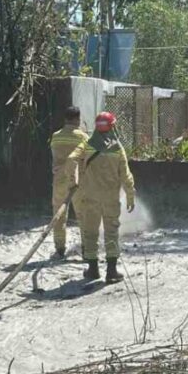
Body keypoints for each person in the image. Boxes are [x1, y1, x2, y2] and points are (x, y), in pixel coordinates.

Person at [65, 111, 136, 283]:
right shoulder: (117, 148)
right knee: (111, 232)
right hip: (110, 199)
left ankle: (93, 270)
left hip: (90, 198)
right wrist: (130, 195)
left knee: (90, 233)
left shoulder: (86, 144)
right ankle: (111, 272)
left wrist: (73, 181)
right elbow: (126, 175)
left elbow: (71, 160)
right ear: (112, 127)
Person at [49, 106, 89, 258]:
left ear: (65, 119)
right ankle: (87, 248)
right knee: (83, 214)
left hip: (60, 179)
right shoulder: (83, 137)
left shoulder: (56, 136)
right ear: (78, 119)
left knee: (59, 213)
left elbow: (55, 157)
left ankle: (59, 247)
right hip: (79, 179)